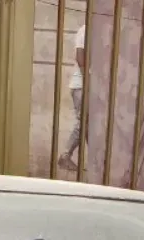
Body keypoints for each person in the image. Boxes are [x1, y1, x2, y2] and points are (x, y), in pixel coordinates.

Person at [58, 19, 85, 172]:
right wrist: (88, 81)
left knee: (88, 125)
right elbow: (79, 55)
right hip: (81, 85)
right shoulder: (85, 29)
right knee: (84, 122)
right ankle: (65, 155)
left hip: (87, 86)